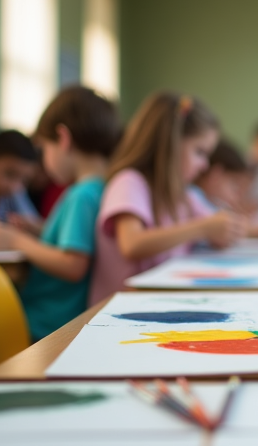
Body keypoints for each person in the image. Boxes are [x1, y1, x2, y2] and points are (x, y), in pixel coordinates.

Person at [0, 86, 122, 340]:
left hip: (46, 325)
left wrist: (16, 241)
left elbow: (73, 264)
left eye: (44, 149)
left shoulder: (81, 195)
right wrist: (40, 229)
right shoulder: (103, 189)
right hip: (62, 322)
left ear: (63, 138)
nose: (43, 161)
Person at [90, 92, 246, 303]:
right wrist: (202, 228)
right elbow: (132, 244)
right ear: (170, 145)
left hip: (159, 302)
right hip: (120, 310)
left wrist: (242, 230)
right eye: (199, 152)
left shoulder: (183, 194)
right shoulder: (129, 182)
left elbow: (216, 225)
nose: (205, 165)